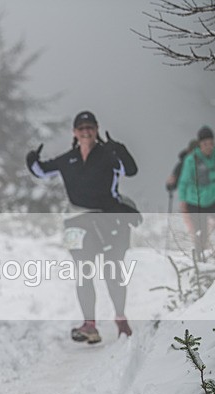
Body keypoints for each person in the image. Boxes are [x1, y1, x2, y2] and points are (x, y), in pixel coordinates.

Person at [26, 111, 140, 343]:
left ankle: (120, 318)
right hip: (77, 222)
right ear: (75, 132)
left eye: (90, 127)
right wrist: (31, 160)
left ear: (96, 129)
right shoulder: (68, 159)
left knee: (112, 271)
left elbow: (131, 170)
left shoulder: (109, 155)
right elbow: (42, 171)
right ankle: (89, 325)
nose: (86, 131)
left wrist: (121, 150)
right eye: (81, 128)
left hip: (109, 219)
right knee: (83, 273)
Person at [177, 126, 215, 255]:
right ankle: (200, 258)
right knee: (200, 233)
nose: (209, 147)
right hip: (195, 200)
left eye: (211, 143)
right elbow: (184, 181)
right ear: (200, 144)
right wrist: (182, 200)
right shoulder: (191, 159)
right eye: (205, 144)